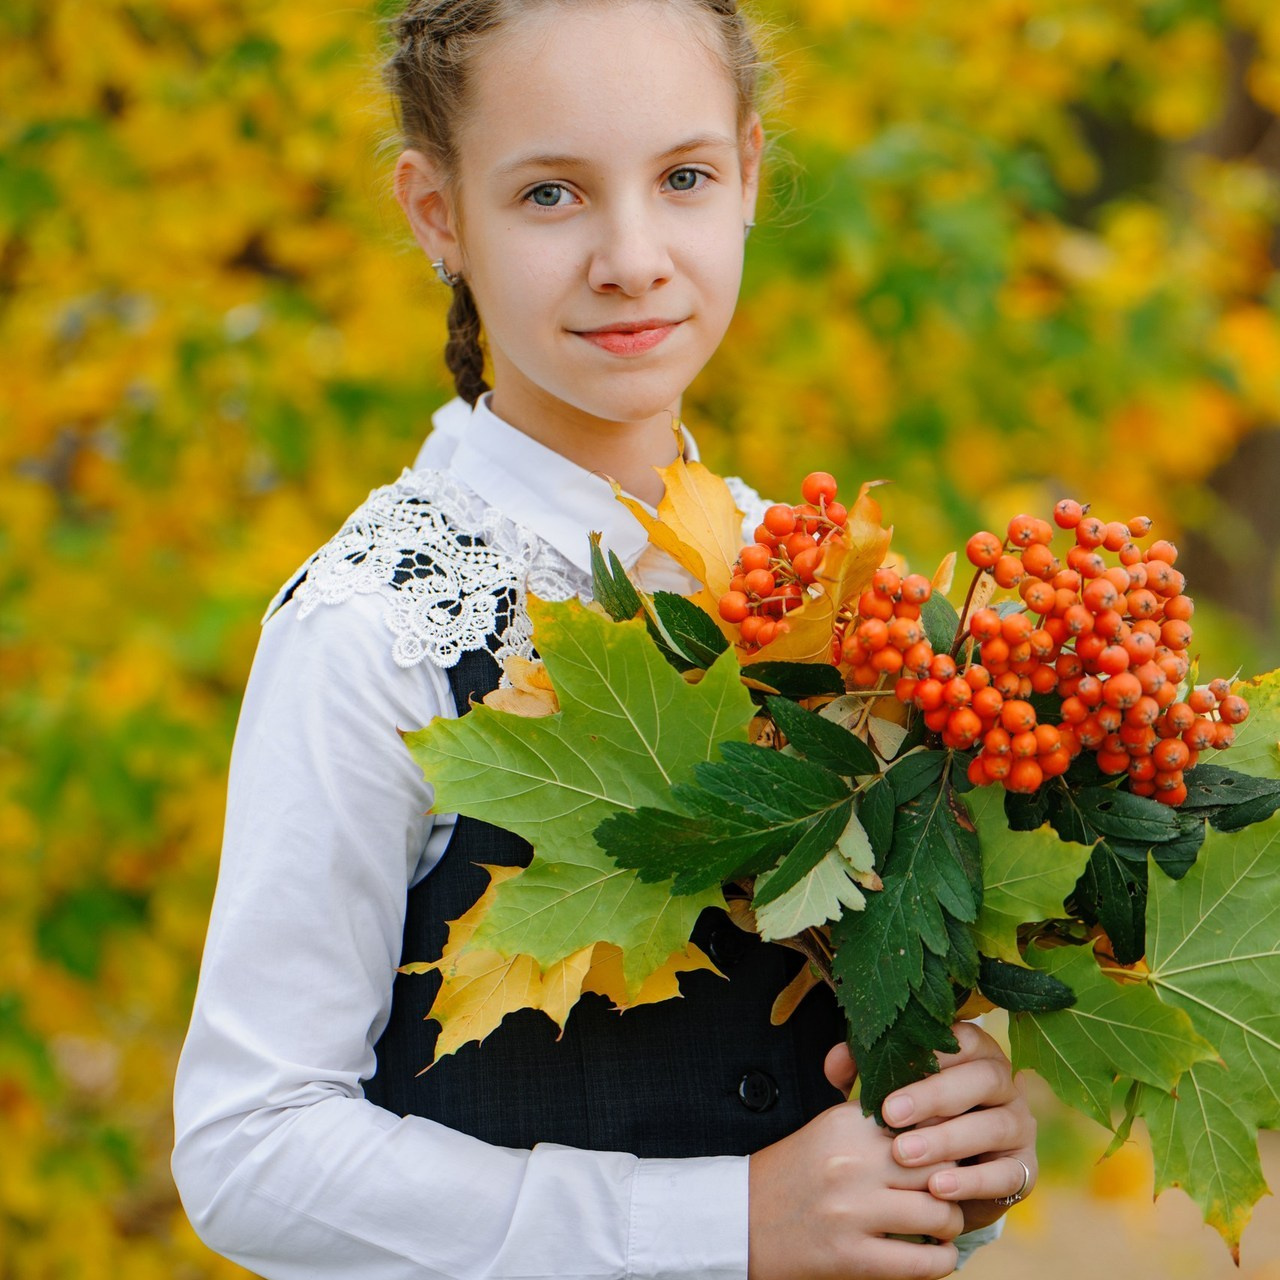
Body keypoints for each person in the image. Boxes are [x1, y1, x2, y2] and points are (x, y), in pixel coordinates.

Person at [171, 2, 1038, 1278]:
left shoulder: (824, 595)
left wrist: (954, 1141)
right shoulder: (378, 625)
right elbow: (250, 1149)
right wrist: (718, 1224)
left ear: (747, 172)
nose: (632, 257)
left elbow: (857, 1075)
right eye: (550, 195)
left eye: (681, 177)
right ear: (437, 214)